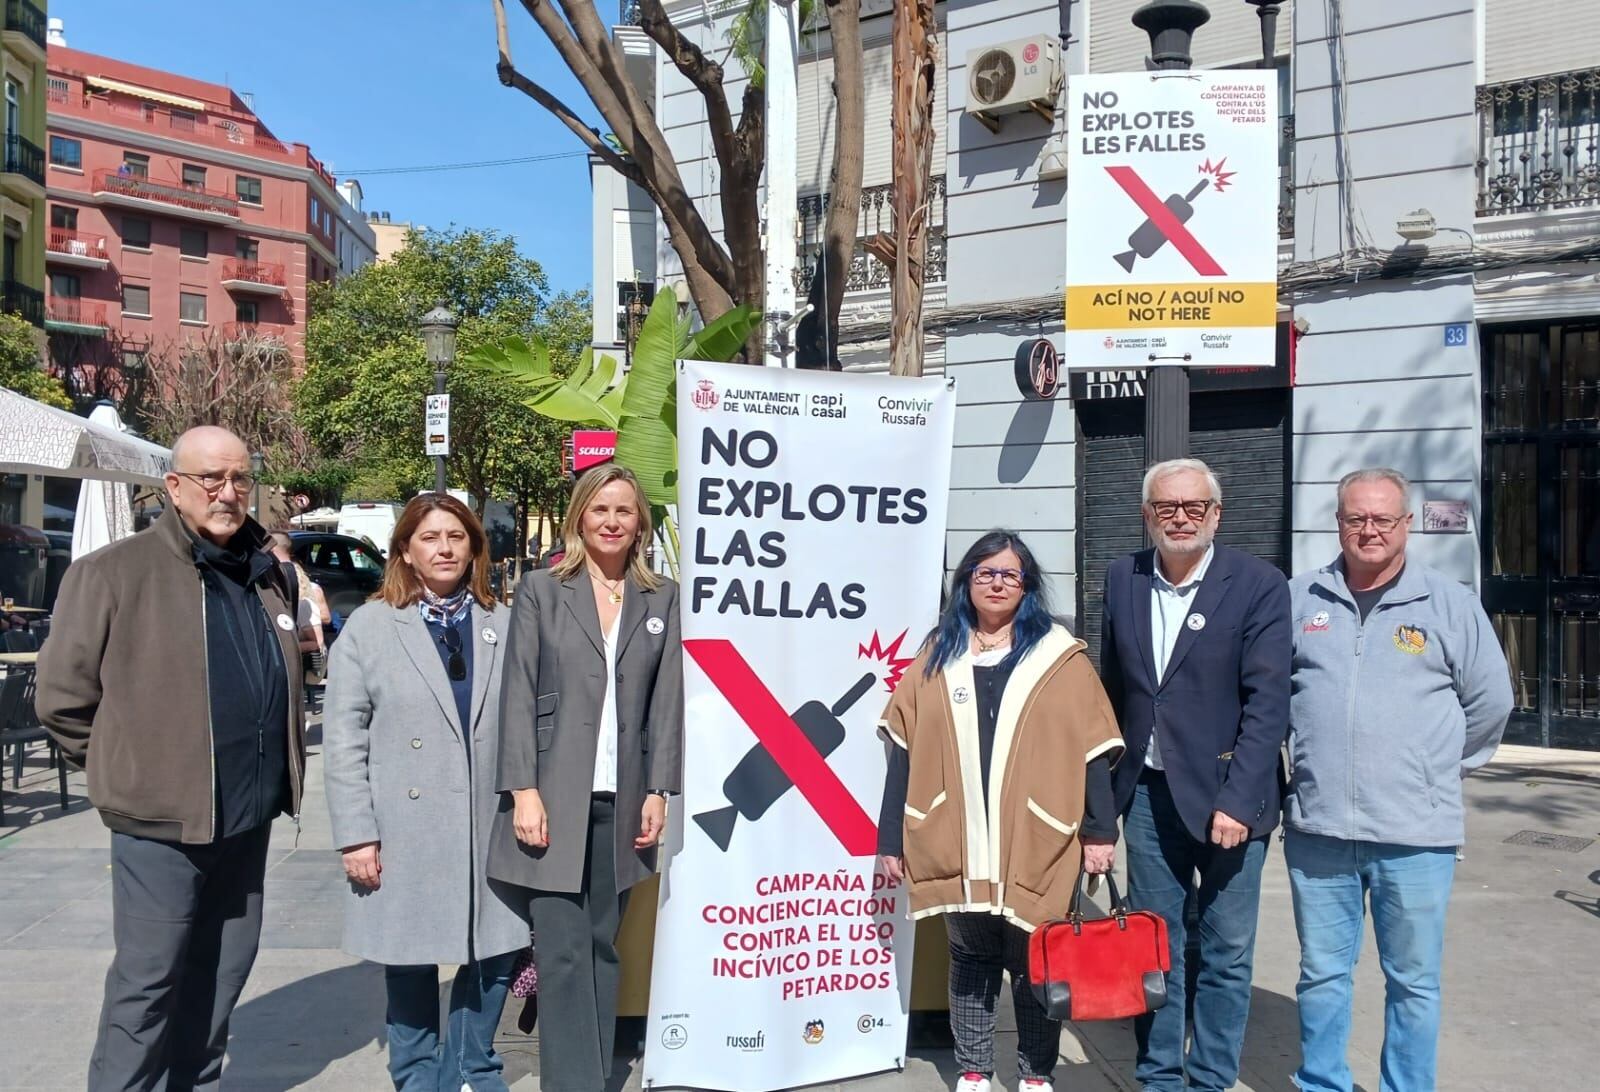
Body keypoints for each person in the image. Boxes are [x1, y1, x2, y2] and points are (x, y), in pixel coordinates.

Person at [36, 425, 307, 1091]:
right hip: (161, 824)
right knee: (148, 986)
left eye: (241, 477)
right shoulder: (112, 572)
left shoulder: (268, 574)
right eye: (211, 478)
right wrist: (125, 769)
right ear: (175, 487)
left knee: (220, 979)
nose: (229, 491)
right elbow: (62, 698)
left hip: (247, 817)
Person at [1285, 468, 1512, 1092]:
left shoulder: (1450, 605)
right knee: (1322, 976)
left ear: (1406, 524)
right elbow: (1268, 698)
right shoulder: (1299, 600)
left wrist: (1437, 767)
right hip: (1319, 830)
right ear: (1338, 523)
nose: (1370, 530)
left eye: (1384, 518)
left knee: (1413, 982)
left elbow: (1491, 703)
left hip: (1416, 836)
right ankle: (1321, 1083)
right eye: (1356, 517)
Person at [877, 530, 1125, 1092]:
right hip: (955, 832)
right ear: (965, 581)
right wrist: (891, 840)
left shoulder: (1059, 656)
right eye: (984, 572)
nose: (996, 583)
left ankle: (1036, 1072)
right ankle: (973, 1068)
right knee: (970, 957)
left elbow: (1092, 750)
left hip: (1040, 832)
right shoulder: (936, 653)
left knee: (1036, 958)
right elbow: (903, 753)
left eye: (1009, 574)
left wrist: (1099, 830)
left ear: (1027, 585)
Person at [322, 493, 529, 1091]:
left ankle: (473, 1067)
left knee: (494, 952)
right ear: (406, 552)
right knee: (408, 958)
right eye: (430, 538)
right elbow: (343, 740)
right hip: (404, 824)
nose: (444, 548)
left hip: (489, 817)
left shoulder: (503, 623)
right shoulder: (369, 626)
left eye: (456, 537)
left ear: (473, 548)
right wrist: (356, 834)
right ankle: (416, 1077)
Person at [486, 464, 682, 1092]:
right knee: (563, 950)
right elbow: (516, 691)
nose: (612, 521)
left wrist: (659, 788)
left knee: (601, 945)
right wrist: (524, 790)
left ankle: (594, 1075)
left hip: (623, 800)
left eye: (624, 511)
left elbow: (666, 702)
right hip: (552, 796)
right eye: (600, 509)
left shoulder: (662, 596)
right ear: (579, 517)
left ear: (639, 523)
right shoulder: (543, 589)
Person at [1098, 458, 1292, 1092]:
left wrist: (1238, 802)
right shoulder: (1122, 578)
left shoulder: (1258, 583)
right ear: (1147, 514)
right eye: (1165, 507)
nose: (1180, 517)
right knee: (1156, 949)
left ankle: (1209, 1078)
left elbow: (1268, 704)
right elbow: (1112, 693)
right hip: (1149, 797)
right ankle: (1159, 1077)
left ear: (1216, 513)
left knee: (1227, 953)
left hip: (1230, 800)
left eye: (1193, 507)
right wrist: (1103, 805)